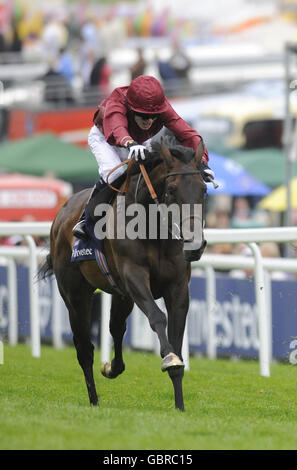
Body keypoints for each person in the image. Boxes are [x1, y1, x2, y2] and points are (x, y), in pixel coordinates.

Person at [72, 74, 215, 240]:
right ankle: (86, 218)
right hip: (106, 139)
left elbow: (189, 134)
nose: (149, 120)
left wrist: (203, 162)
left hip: (138, 142)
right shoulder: (117, 101)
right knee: (115, 173)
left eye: (154, 116)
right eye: (144, 116)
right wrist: (130, 143)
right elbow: (117, 128)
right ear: (131, 109)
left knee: (153, 175)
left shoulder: (161, 107)